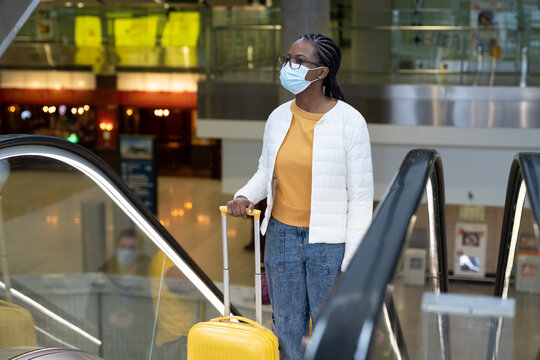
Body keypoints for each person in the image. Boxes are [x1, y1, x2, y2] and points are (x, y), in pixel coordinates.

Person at [226, 33, 373, 359]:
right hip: (280, 238)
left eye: (298, 61)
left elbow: (361, 199)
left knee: (327, 328)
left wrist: (353, 261)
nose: (288, 66)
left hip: (329, 245)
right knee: (287, 326)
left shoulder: (350, 123)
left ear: (321, 72)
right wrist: (244, 196)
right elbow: (267, 171)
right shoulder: (278, 117)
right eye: (287, 59)